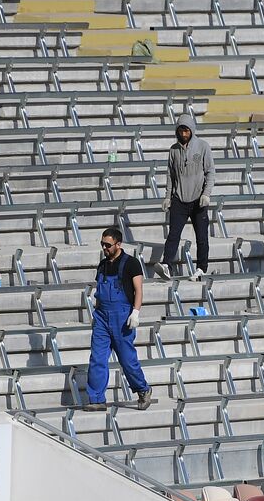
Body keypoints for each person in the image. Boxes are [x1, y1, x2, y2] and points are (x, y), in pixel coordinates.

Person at [85, 227, 153, 411]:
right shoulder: (103, 265)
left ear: (118, 244)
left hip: (122, 317)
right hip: (102, 316)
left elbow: (139, 290)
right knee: (97, 358)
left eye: (108, 245)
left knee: (127, 360)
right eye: (102, 245)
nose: (104, 248)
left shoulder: (131, 264)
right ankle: (96, 399)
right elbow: (99, 292)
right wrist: (96, 314)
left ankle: (143, 389)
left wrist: (136, 312)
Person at [154, 112, 215, 282]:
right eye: (180, 131)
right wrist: (167, 197)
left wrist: (206, 194)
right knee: (173, 234)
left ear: (192, 130)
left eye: (186, 131)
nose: (183, 134)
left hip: (198, 200)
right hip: (179, 199)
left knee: (201, 237)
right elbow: (170, 175)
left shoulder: (203, 147)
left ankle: (201, 268)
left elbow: (210, 172)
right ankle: (167, 265)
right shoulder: (173, 150)